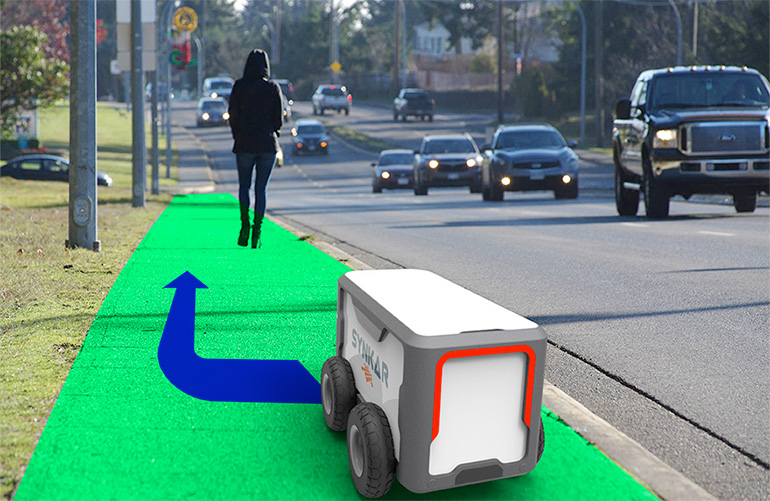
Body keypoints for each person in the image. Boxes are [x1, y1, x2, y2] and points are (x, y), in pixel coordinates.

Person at [228, 49, 283, 248]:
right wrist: (273, 131)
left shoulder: (239, 86)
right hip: (267, 144)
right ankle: (257, 232)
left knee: (244, 187)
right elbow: (278, 119)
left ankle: (244, 226)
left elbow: (232, 114)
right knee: (261, 189)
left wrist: (238, 134)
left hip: (244, 144)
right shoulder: (272, 88)